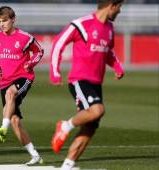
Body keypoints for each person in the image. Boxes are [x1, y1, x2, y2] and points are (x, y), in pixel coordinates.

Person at [50, 0, 124, 169]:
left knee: (90, 127)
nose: (120, 11)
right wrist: (55, 72)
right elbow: (58, 43)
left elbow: (108, 52)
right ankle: (65, 125)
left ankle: (67, 165)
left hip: (96, 83)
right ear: (111, 5)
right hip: (79, 80)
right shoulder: (82, 24)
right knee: (98, 110)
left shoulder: (109, 29)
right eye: (119, 7)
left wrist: (117, 66)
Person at [0, 6, 44, 165]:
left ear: (13, 20)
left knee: (10, 94)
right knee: (15, 121)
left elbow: (39, 51)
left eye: (4, 21)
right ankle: (35, 156)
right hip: (4, 80)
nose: (2, 24)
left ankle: (2, 127)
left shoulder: (25, 37)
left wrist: (30, 63)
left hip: (23, 77)